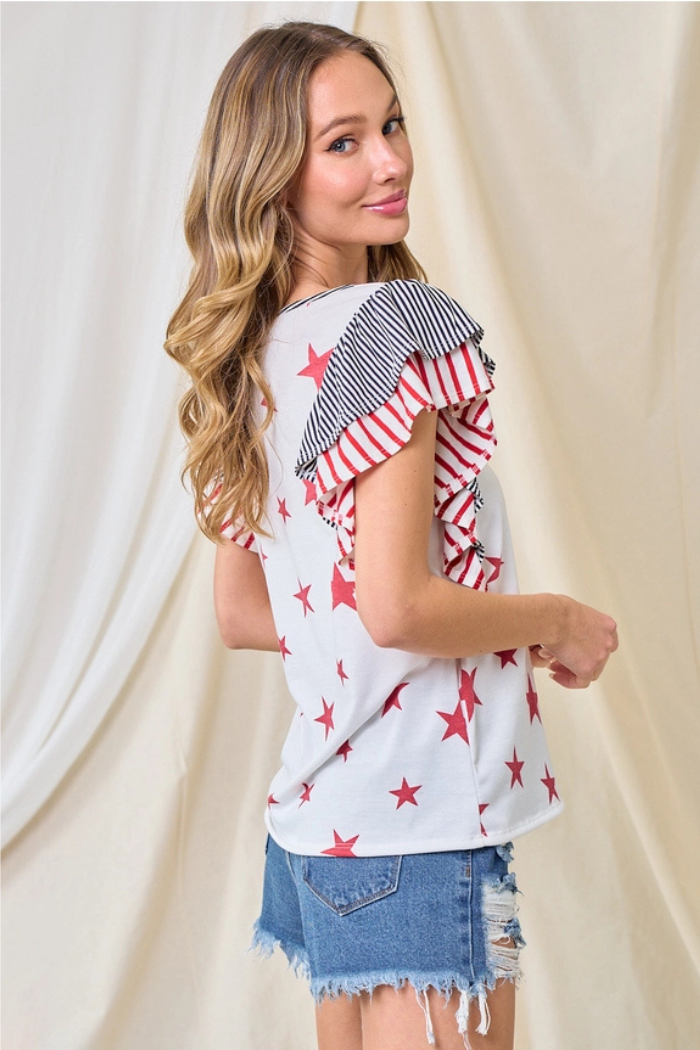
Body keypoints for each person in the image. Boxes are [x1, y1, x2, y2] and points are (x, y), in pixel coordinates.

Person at [164, 21, 618, 1050]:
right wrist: (555, 620)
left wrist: (358, 636)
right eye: (344, 141)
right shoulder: (388, 329)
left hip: (325, 826)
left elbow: (245, 612)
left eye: (394, 125)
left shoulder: (253, 360)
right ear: (272, 176)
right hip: (422, 826)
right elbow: (399, 605)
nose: (391, 160)